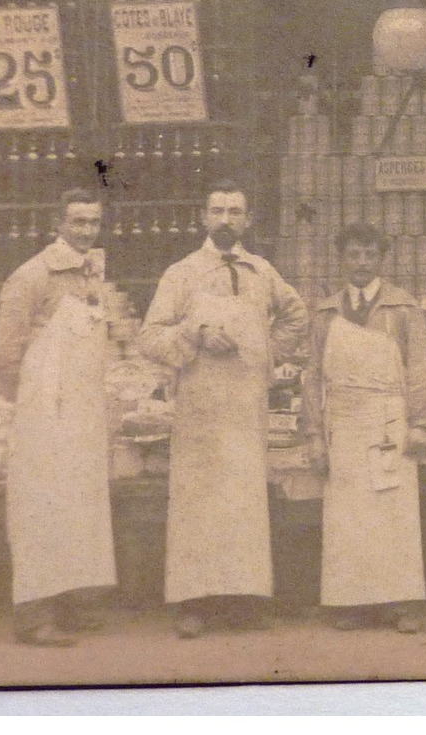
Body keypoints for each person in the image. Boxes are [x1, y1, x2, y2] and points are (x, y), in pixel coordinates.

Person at [140, 181, 310, 638]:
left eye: (235, 212)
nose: (226, 220)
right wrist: (194, 336)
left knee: (242, 504)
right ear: (203, 217)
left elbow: (297, 316)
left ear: (248, 221)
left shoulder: (261, 272)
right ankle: (193, 604)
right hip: (198, 408)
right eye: (217, 210)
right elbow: (150, 337)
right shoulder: (182, 273)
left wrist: (265, 356)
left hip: (244, 408)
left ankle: (243, 601)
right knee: (198, 506)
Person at [0, 188, 116, 647]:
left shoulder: (90, 273)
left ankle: (70, 604)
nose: (85, 231)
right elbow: (3, 353)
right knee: (39, 511)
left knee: (76, 509)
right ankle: (34, 615)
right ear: (58, 225)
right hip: (42, 413)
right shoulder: (31, 276)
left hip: (80, 412)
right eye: (77, 222)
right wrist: (31, 403)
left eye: (92, 223)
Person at [303, 223, 426, 634]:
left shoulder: (403, 308)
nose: (361, 262)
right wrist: (314, 434)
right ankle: (350, 603)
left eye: (369, 255)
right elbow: (312, 376)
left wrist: (419, 424)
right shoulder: (326, 311)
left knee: (394, 515)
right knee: (348, 519)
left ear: (381, 258)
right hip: (343, 423)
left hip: (389, 423)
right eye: (353, 255)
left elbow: (421, 368)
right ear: (342, 260)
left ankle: (401, 603)